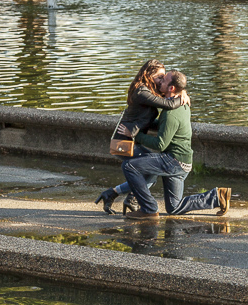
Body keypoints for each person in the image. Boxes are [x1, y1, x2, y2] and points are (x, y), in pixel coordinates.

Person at [119, 70, 231, 220]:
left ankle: (149, 209)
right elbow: (165, 126)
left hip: (174, 161)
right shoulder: (181, 104)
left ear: (171, 88)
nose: (160, 82)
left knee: (130, 166)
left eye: (164, 80)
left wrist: (134, 134)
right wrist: (141, 123)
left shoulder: (171, 113)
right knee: (174, 207)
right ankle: (217, 197)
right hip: (183, 161)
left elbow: (160, 144)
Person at [94, 59, 190, 214]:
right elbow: (170, 104)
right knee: (150, 171)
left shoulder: (151, 91)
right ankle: (126, 198)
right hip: (122, 142)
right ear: (149, 74)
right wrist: (182, 95)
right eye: (159, 77)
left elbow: (169, 94)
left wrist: (181, 90)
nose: (161, 81)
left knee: (149, 171)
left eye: (163, 78)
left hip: (132, 140)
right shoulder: (142, 91)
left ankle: (117, 196)